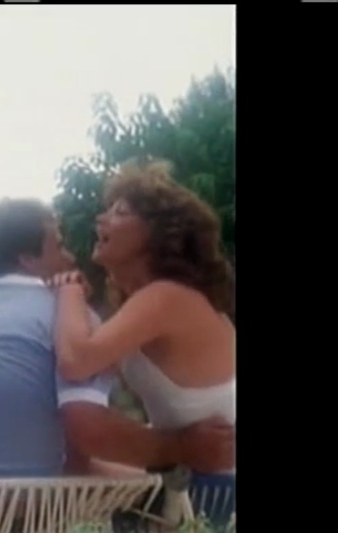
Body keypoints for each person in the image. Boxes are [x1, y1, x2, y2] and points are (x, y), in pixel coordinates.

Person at [0, 197, 234, 480]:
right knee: (110, 464)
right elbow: (87, 430)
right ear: (27, 260)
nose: (70, 257)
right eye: (59, 247)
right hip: (29, 502)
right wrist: (181, 447)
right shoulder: (68, 315)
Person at [50, 157, 236, 473]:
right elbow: (92, 363)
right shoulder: (150, 303)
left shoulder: (168, 297)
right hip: (205, 475)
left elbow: (76, 362)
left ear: (159, 234)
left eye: (120, 212)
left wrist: (68, 291)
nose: (101, 219)